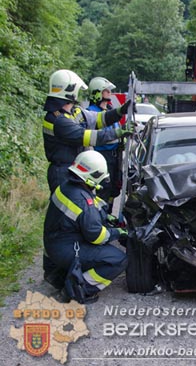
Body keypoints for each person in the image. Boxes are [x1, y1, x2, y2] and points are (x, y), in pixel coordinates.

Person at [42, 69, 132, 289]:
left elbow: (98, 119)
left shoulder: (74, 113)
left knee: (77, 216)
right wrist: (118, 134)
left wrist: (120, 111)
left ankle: (68, 261)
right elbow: (88, 136)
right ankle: (70, 266)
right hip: (63, 171)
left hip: (74, 168)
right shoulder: (57, 120)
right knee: (67, 217)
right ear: (70, 91)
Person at [43, 150, 128, 303]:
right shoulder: (84, 202)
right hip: (66, 250)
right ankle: (77, 289)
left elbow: (81, 214)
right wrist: (118, 232)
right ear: (92, 177)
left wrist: (105, 216)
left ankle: (64, 274)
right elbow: (96, 236)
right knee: (118, 259)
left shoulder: (66, 186)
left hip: (53, 245)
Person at [87, 77, 122, 211]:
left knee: (114, 189)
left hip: (115, 157)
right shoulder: (92, 113)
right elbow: (103, 136)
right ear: (98, 93)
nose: (110, 93)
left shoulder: (109, 110)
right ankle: (101, 217)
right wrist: (119, 133)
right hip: (103, 156)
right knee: (104, 189)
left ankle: (109, 213)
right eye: (106, 90)